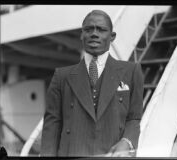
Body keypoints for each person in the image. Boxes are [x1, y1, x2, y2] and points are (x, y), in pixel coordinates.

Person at [41, 10, 143, 157]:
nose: (94, 34)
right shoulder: (61, 76)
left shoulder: (132, 72)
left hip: (113, 155)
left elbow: (134, 118)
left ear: (112, 36)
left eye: (101, 29)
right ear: (82, 35)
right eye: (88, 29)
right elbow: (52, 125)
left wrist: (127, 142)